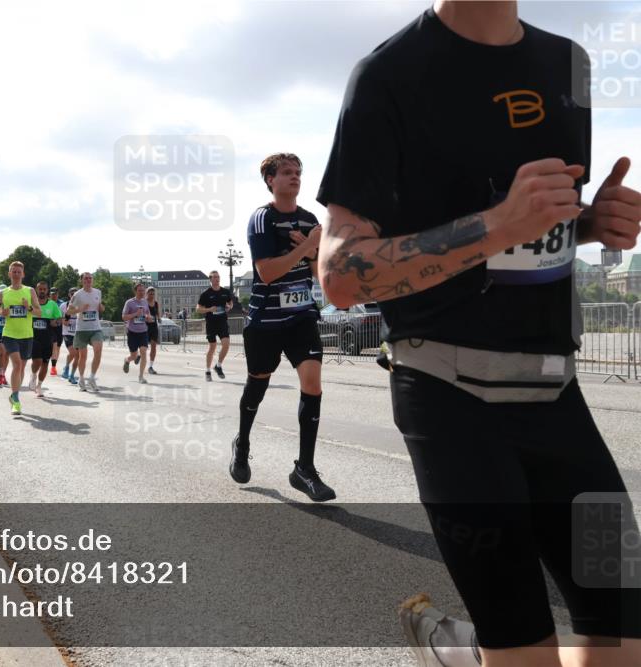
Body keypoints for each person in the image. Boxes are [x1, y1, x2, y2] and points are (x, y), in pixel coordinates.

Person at [316, 2, 641, 665]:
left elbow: (531, 230)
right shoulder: (386, 74)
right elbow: (341, 275)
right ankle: (466, 648)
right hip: (450, 393)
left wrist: (587, 224)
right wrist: (499, 224)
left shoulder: (569, 63)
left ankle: (460, 651)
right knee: (524, 650)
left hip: (556, 390)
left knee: (626, 636)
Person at [230, 153, 335, 504]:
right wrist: (306, 246)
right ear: (270, 180)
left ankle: (305, 468)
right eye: (287, 172)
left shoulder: (310, 220)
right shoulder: (262, 219)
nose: (295, 177)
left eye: (298, 172)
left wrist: (314, 253)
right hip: (266, 321)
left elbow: (318, 273)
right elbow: (267, 273)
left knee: (312, 383)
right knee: (257, 386)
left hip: (302, 317)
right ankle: (242, 443)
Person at [0, 262, 42, 415]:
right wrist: (1, 313)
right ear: (9, 274)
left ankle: (14, 395)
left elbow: (39, 312)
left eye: (18, 272)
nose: (16, 274)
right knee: (16, 364)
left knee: (21, 367)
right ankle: (16, 400)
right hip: (9, 334)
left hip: (27, 335)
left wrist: (28, 307)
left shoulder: (30, 291)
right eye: (13, 272)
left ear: (23, 274)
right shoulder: (3, 293)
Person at [66, 272, 104, 392]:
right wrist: (80, 309)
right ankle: (81, 379)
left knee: (98, 350)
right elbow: (69, 311)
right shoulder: (77, 295)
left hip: (95, 328)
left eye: (90, 278)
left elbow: (100, 307)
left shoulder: (98, 292)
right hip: (82, 329)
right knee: (83, 356)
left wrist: (101, 308)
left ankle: (92, 378)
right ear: (82, 281)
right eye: (86, 278)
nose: (88, 280)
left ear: (92, 280)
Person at [197, 270, 234, 381]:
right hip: (211, 323)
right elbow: (198, 309)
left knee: (226, 345)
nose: (217, 279)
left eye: (218, 277)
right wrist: (209, 309)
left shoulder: (225, 291)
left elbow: (230, 302)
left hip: (222, 322)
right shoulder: (206, 293)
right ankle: (208, 371)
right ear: (210, 279)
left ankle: (218, 365)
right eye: (214, 277)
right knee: (212, 347)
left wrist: (229, 307)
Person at [29, 281, 63, 398]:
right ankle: (33, 375)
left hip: (47, 338)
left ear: (47, 290)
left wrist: (56, 322)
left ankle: (39, 386)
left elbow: (59, 318)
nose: (42, 291)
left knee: (45, 363)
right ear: (36, 290)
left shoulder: (52, 304)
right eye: (40, 289)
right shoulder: (31, 303)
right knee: (37, 361)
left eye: (44, 289)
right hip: (33, 337)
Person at [121, 283, 152, 384]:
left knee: (143, 352)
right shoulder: (129, 302)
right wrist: (135, 314)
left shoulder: (145, 302)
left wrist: (148, 317)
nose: (142, 292)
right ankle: (127, 360)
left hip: (143, 331)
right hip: (132, 332)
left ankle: (141, 376)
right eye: (139, 291)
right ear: (135, 291)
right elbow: (124, 317)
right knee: (133, 356)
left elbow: (147, 313)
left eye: (143, 290)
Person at [60, 286, 80, 384]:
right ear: (69, 295)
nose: (74, 296)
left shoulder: (81, 305)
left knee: (77, 356)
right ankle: (67, 368)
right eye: (72, 294)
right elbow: (64, 322)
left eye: (76, 294)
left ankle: (71, 375)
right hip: (67, 333)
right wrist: (68, 315)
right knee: (73, 353)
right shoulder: (64, 306)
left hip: (78, 333)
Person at [145, 286, 161, 374]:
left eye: (153, 294)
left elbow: (157, 312)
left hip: (154, 327)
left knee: (154, 347)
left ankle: (150, 366)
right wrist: (146, 317)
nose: (152, 295)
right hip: (145, 327)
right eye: (150, 293)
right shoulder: (143, 302)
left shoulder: (156, 303)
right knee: (144, 346)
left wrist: (159, 318)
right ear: (146, 294)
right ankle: (139, 355)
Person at [48, 287, 62, 376]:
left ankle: (54, 366)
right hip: (49, 327)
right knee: (54, 346)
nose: (54, 296)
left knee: (57, 348)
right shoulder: (47, 303)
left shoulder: (62, 303)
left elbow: (64, 315)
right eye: (52, 294)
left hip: (59, 328)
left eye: (55, 294)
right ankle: (52, 367)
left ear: (58, 294)